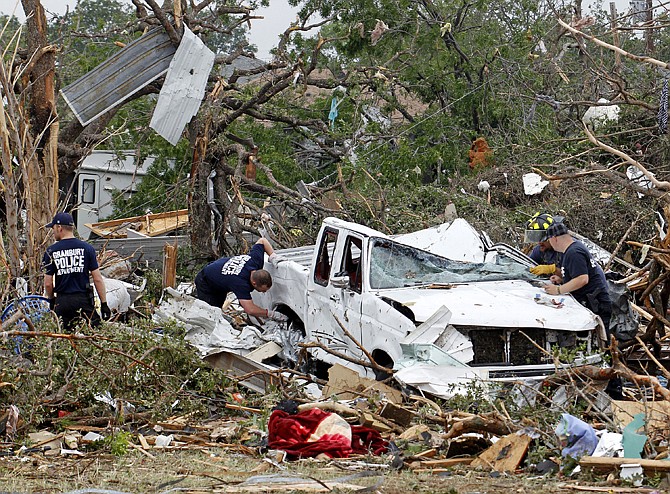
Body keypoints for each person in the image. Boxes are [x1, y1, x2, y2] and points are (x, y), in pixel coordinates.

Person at [541, 222, 622, 398]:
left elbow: (583, 279)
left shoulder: (574, 252)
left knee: (604, 345)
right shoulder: (569, 251)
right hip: (590, 301)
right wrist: (561, 280)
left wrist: (559, 290)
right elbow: (574, 276)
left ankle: (615, 389)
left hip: (596, 303)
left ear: (554, 238)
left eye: (549, 240)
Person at [43, 212, 111, 330]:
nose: (52, 232)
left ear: (59, 228)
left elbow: (48, 283)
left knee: (63, 337)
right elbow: (97, 279)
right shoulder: (87, 248)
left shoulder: (51, 251)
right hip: (83, 300)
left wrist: (52, 300)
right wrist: (104, 304)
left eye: (53, 228)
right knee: (94, 333)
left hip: (63, 301)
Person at [194, 238, 288, 322]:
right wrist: (270, 314)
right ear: (254, 283)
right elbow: (250, 309)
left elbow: (262, 240)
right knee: (211, 313)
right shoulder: (240, 283)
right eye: (263, 290)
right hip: (206, 281)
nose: (263, 292)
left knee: (218, 308)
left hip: (220, 274)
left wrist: (273, 256)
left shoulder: (255, 261)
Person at [524, 212, 561, 276]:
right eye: (536, 239)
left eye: (542, 239)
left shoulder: (568, 249)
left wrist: (553, 269)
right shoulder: (539, 250)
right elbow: (528, 266)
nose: (539, 243)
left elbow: (578, 276)